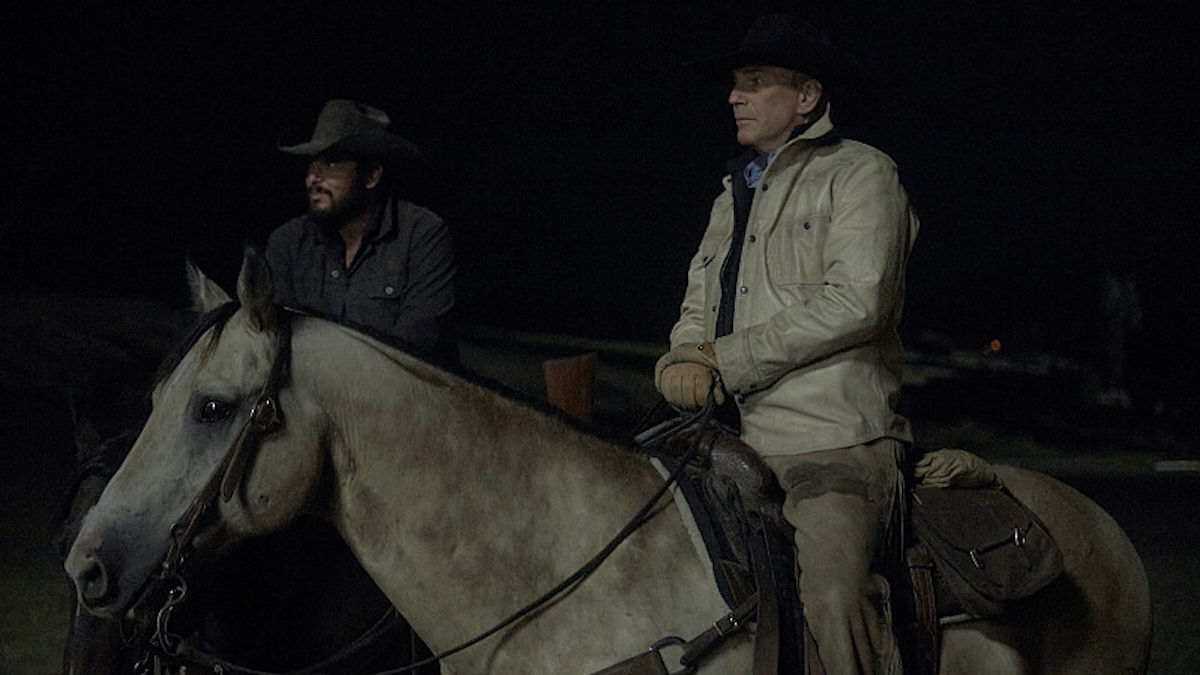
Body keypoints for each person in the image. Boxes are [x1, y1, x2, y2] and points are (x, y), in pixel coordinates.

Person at [654, 14, 919, 675]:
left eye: (755, 82)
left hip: (834, 441)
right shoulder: (730, 193)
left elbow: (858, 301)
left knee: (832, 594)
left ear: (807, 97)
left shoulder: (863, 175)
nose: (734, 96)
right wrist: (681, 353)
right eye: (736, 84)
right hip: (728, 439)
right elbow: (697, 302)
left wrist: (723, 359)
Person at [268, 99, 457, 361]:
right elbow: (278, 343)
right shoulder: (289, 243)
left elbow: (412, 355)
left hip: (399, 398)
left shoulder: (422, 236)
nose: (312, 178)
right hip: (313, 397)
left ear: (371, 176)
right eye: (312, 164)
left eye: (331, 163)